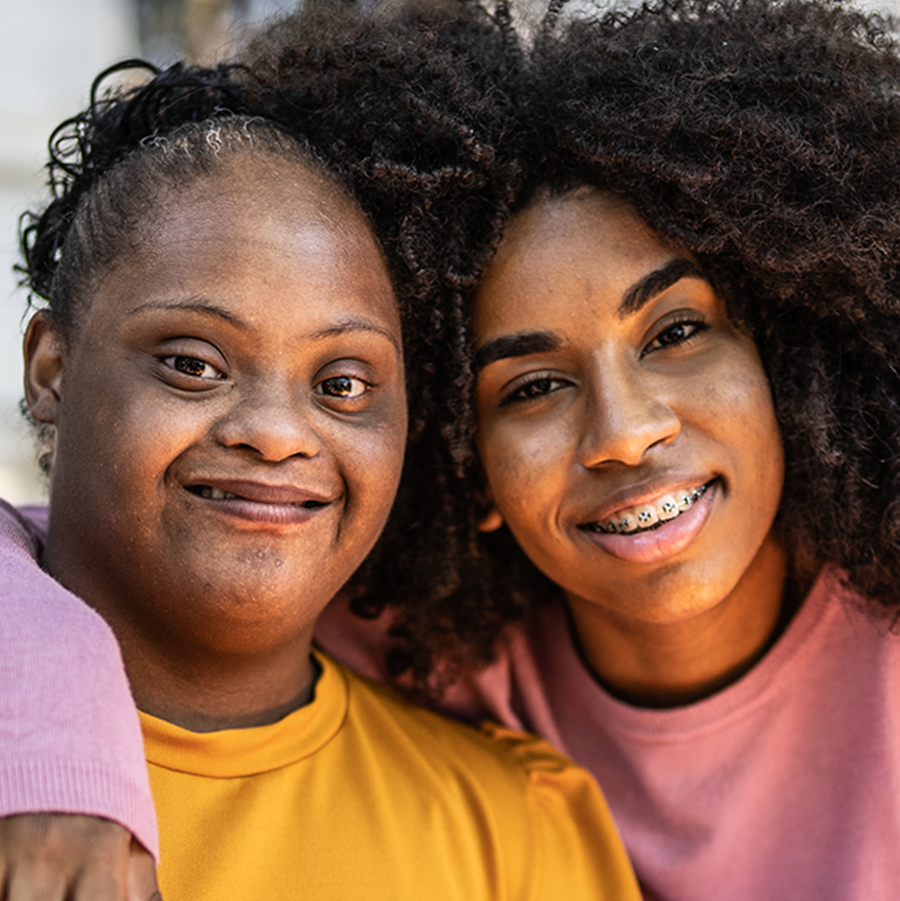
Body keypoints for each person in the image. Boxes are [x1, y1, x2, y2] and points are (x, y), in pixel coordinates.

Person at [8, 0, 900, 898]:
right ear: (462, 459)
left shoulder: (518, 810)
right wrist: (55, 735)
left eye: (675, 332)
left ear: (787, 348)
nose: (628, 434)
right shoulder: (403, 635)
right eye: (532, 386)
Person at [0, 10, 641, 900]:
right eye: (193, 363)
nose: (276, 430)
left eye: (343, 384)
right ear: (52, 369)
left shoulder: (513, 827)